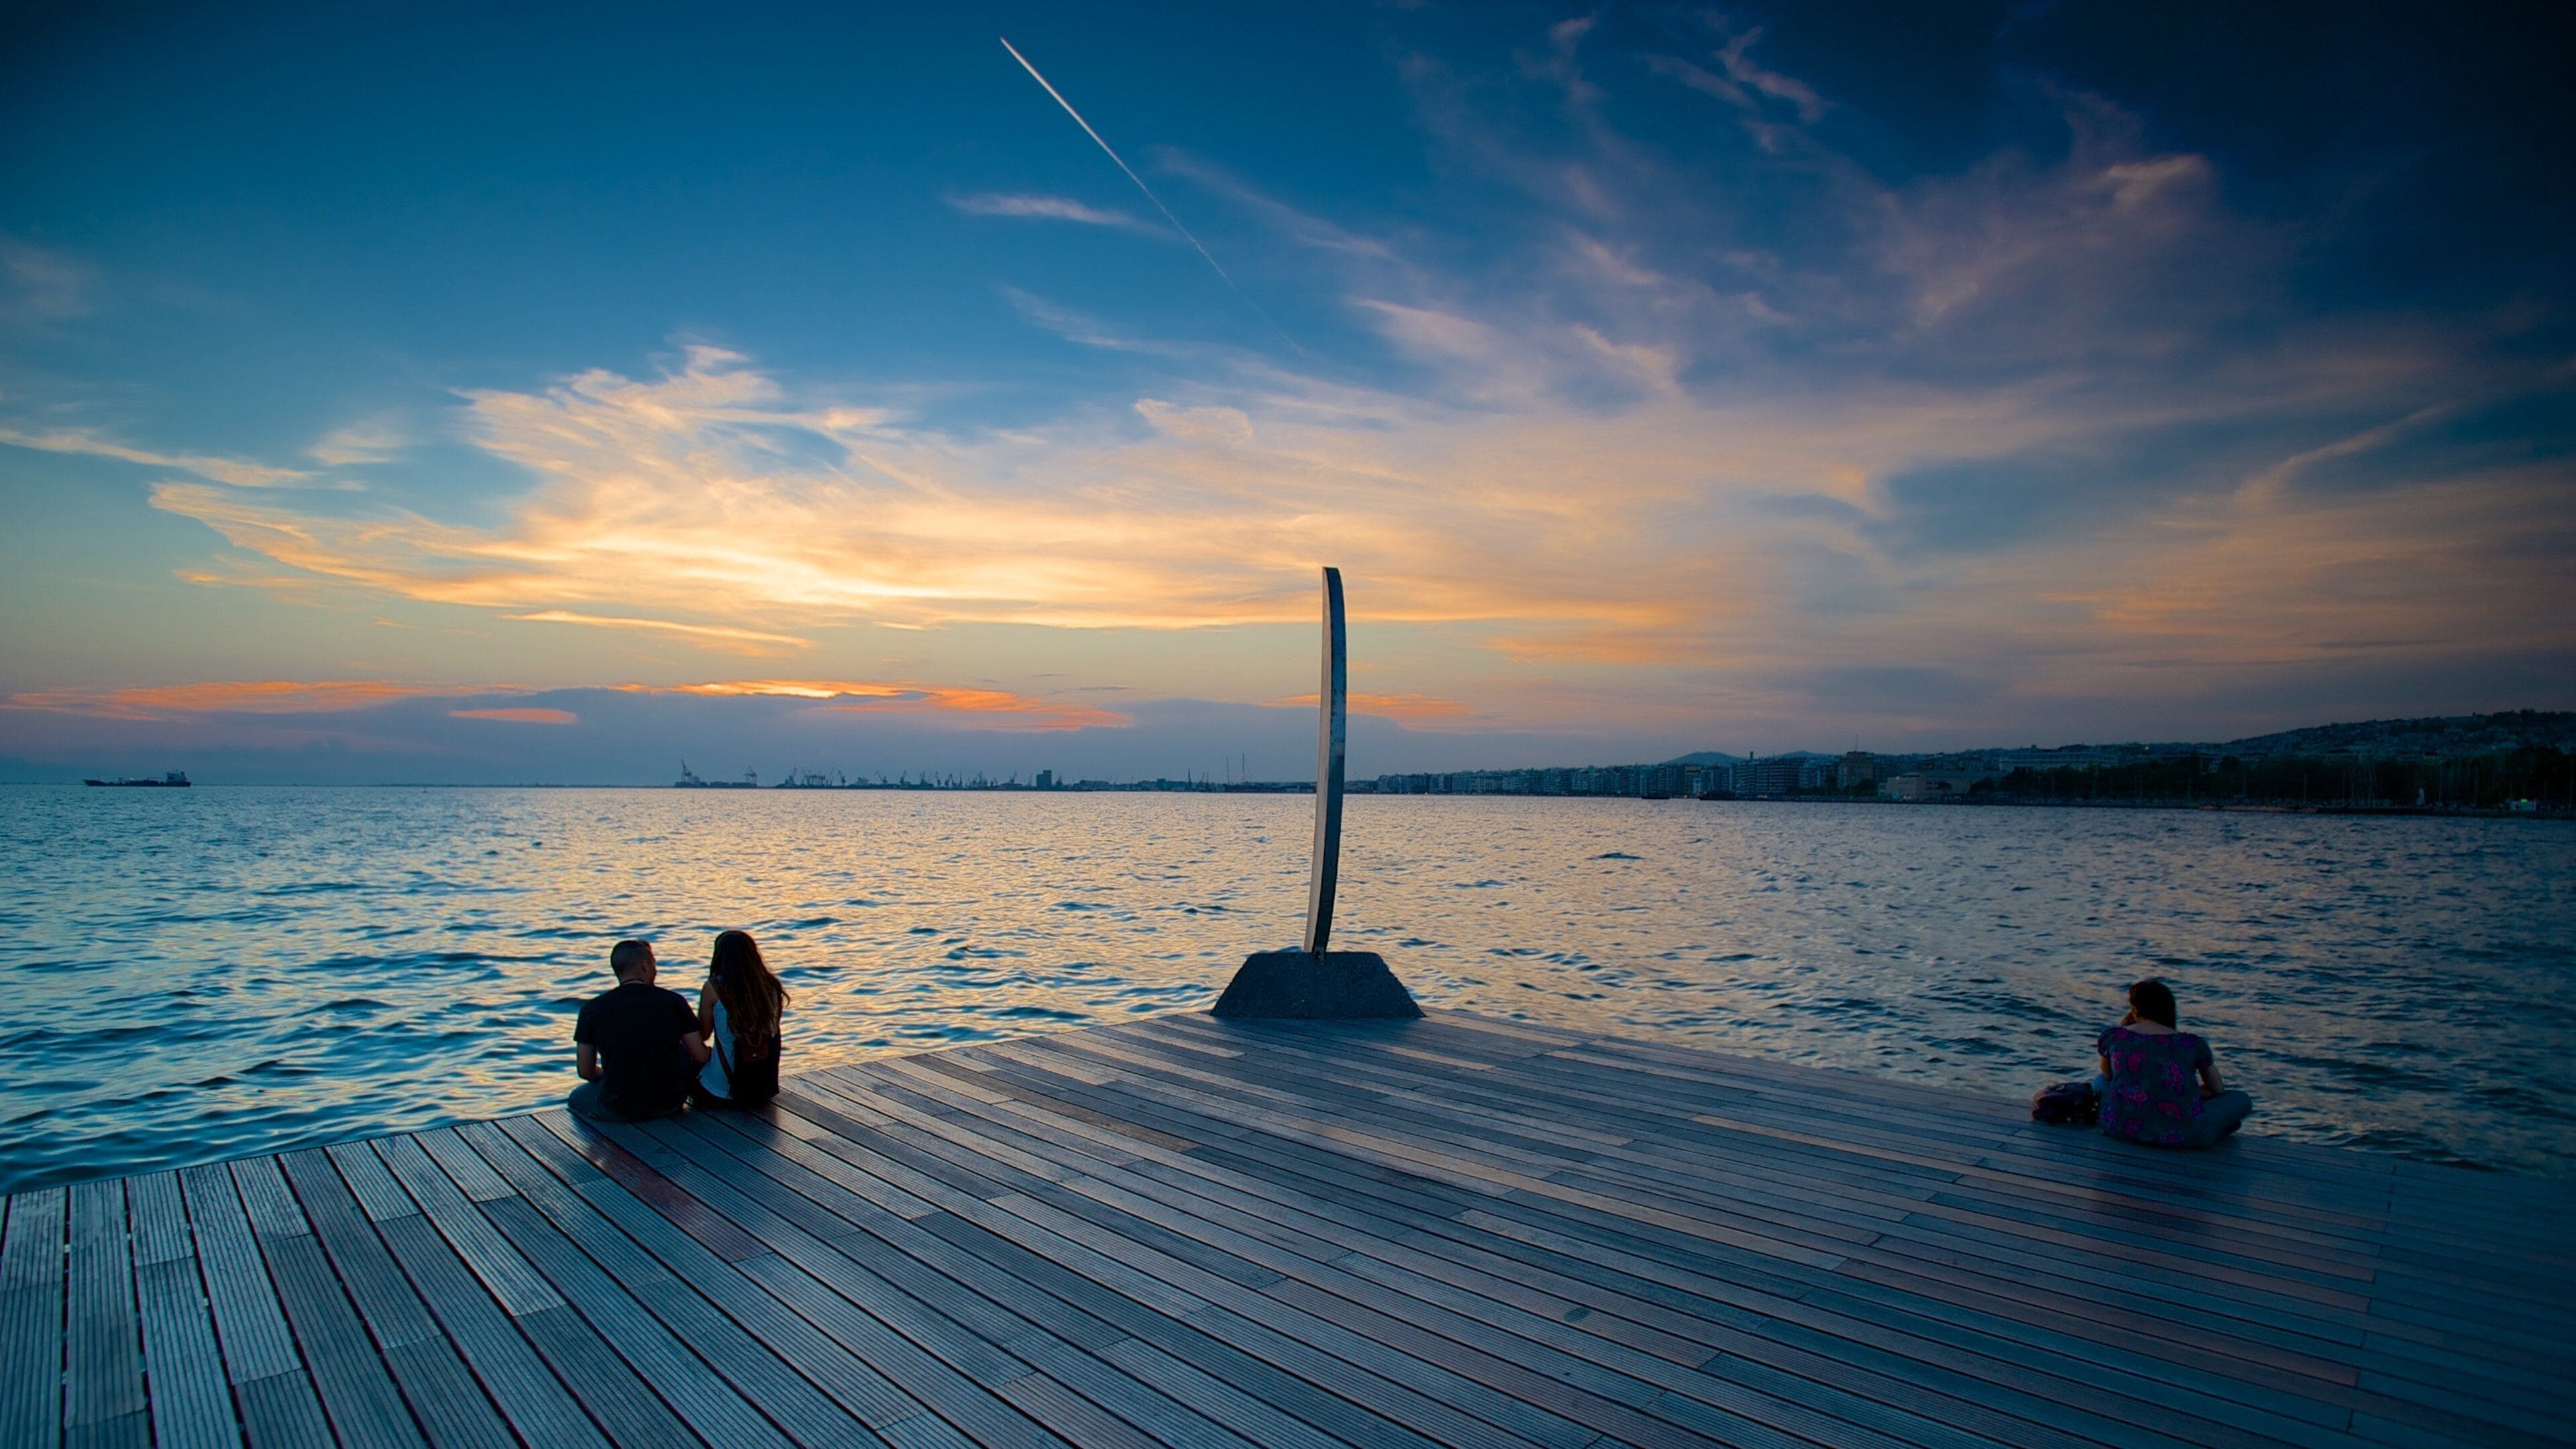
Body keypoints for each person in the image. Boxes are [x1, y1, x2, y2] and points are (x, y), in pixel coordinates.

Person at [2095, 978, 2253, 1148]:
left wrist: (2124, 1025)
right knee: (2241, 1099)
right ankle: (2217, 1127)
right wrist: (2183, 1093)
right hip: (2185, 1135)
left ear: (2134, 1009)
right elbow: (2217, 1089)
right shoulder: (2191, 1043)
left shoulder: (2114, 1037)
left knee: (2099, 1081)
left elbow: (2108, 1075)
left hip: (2121, 1128)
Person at [569, 938, 708, 1121]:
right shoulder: (674, 1001)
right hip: (670, 1103)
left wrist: (611, 1075)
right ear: (645, 965)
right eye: (654, 964)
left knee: (577, 1097)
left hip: (620, 1106)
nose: (655, 970)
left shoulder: (592, 1009)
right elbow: (700, 1055)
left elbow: (586, 1071)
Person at [693, 929, 789, 1108]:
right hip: (762, 1088)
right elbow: (773, 1029)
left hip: (721, 1091)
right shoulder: (772, 987)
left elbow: (704, 1034)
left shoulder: (713, 988)